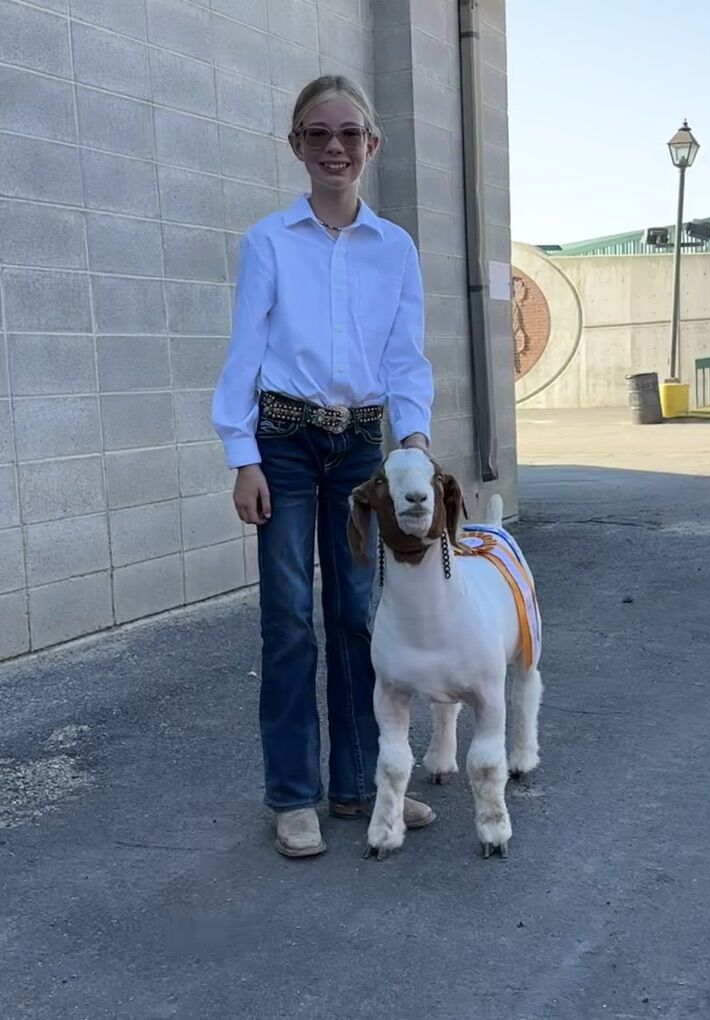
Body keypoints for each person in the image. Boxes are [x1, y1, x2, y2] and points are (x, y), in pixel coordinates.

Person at [212, 75, 436, 858]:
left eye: (348, 134)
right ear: (296, 145)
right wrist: (242, 455)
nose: (333, 147)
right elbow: (245, 353)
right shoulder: (269, 242)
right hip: (282, 442)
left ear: (372, 145)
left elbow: (405, 357)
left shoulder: (395, 247)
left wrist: (414, 441)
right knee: (287, 620)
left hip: (362, 449)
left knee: (358, 618)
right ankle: (293, 797)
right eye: (317, 134)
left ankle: (363, 785)